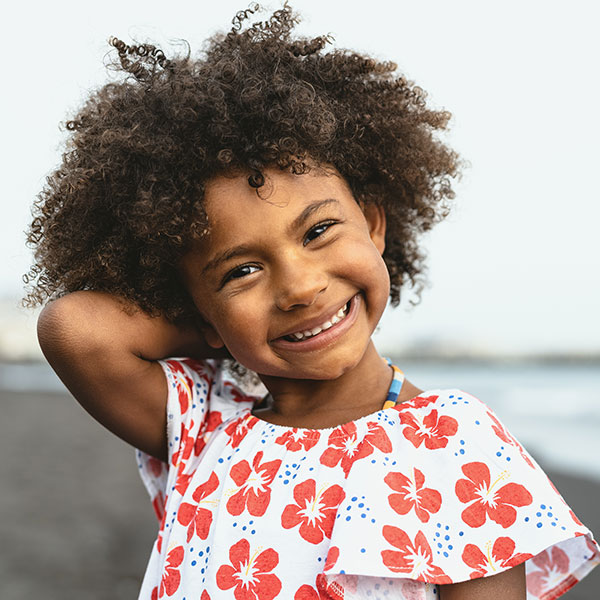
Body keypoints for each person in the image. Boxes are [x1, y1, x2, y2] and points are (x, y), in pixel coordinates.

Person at [25, 4, 599, 599]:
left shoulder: (454, 443)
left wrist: (238, 310)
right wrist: (223, 321)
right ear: (198, 312)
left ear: (374, 225)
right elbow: (76, 329)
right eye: (242, 270)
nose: (299, 287)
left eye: (318, 232)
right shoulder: (207, 423)